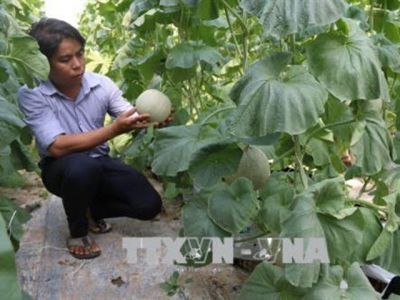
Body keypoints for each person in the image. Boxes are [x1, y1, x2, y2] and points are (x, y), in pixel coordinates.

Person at [18, 18, 169, 259]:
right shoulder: (32, 93)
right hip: (61, 169)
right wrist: (113, 130)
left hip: (99, 163)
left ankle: (86, 207)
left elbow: (128, 114)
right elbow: (57, 146)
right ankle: (78, 231)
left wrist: (149, 119)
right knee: (81, 167)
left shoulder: (101, 84)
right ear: (43, 64)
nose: (77, 65)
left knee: (148, 205)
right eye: (65, 60)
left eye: (80, 54)